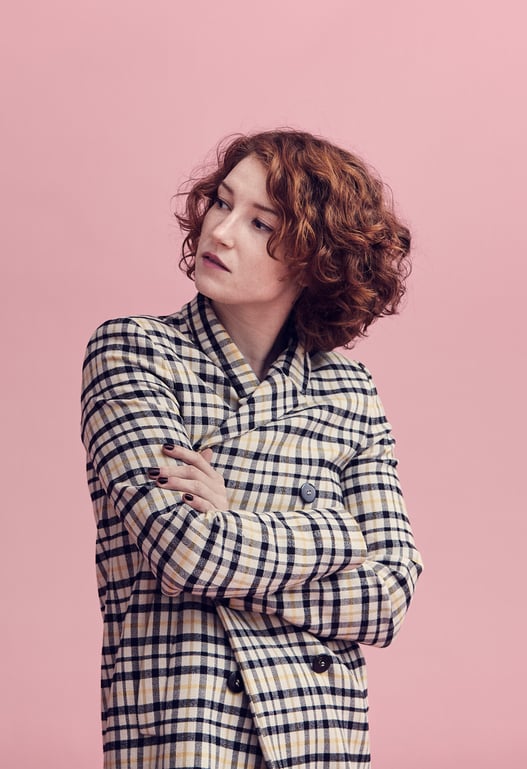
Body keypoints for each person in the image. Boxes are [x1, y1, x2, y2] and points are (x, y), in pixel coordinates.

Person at [80, 129, 423, 769]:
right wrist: (336, 534)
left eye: (261, 224)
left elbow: (389, 596)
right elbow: (185, 553)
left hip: (318, 737)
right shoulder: (134, 352)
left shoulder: (347, 389)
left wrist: (229, 519)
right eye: (222, 202)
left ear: (316, 260)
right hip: (187, 726)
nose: (221, 231)